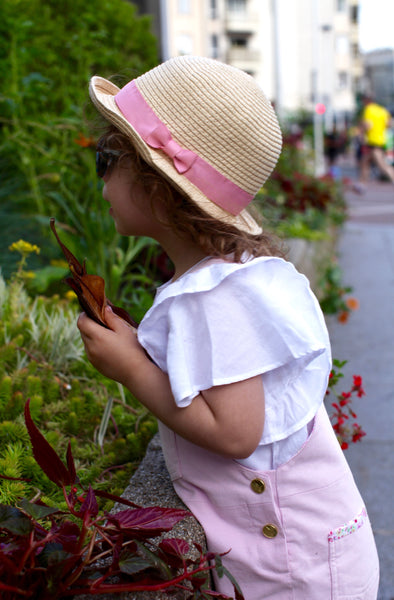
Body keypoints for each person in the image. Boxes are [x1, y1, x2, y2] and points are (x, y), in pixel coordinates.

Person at [77, 56, 379, 599]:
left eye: (108, 156)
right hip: (309, 551)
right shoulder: (231, 277)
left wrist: (131, 370)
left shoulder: (214, 299)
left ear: (160, 187)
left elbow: (234, 433)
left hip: (295, 572)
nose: (99, 173)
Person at [359, 94, 394, 184]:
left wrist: (362, 130)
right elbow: (389, 124)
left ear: (366, 101)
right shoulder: (382, 110)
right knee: (365, 162)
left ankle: (362, 184)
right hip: (380, 140)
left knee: (382, 165)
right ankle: (362, 184)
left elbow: (368, 125)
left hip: (373, 141)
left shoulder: (368, 110)